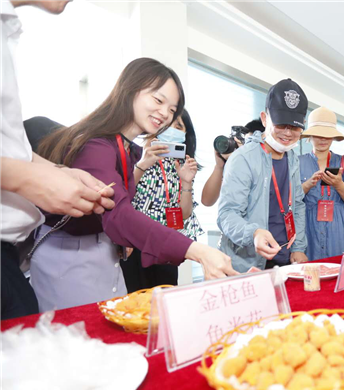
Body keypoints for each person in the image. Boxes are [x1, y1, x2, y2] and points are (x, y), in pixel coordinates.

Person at [33, 57, 236, 311]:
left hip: (106, 252)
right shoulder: (97, 146)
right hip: (70, 261)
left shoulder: (126, 148)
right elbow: (118, 213)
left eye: (172, 110)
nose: (165, 114)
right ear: (130, 89)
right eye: (158, 100)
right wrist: (197, 250)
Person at [1, 0, 115, 320]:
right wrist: (25, 178)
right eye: (158, 100)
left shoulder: (8, 31)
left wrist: (60, 172)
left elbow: (11, 148)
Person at [217, 79, 308, 272]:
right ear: (265, 119)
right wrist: (254, 233)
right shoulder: (243, 158)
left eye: (294, 126)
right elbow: (227, 214)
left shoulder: (293, 158)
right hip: (248, 264)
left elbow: (297, 205)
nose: (288, 133)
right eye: (281, 124)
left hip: (285, 259)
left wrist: (298, 246)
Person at [120, 109, 204, 291]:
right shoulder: (135, 154)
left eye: (178, 126)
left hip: (165, 243)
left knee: (165, 297)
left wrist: (186, 182)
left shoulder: (184, 166)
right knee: (133, 298)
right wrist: (143, 164)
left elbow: (184, 213)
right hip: (134, 241)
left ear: (186, 134)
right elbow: (122, 194)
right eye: (168, 124)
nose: (172, 129)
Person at [299, 107, 344, 260]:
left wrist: (339, 184)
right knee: (310, 269)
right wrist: (307, 185)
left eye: (328, 135)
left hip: (338, 225)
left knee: (339, 268)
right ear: (310, 136)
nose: (323, 139)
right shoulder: (297, 162)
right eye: (318, 135)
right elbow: (291, 197)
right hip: (308, 225)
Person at [201, 119, 264, 207]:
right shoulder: (235, 162)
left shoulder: (268, 167)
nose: (246, 148)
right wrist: (219, 166)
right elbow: (207, 201)